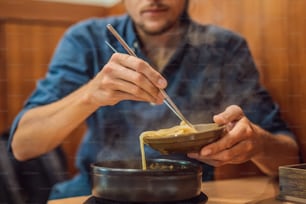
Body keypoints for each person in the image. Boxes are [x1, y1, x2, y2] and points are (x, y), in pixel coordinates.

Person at [9, 0, 299, 200]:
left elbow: (289, 158)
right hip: (97, 190)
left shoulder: (225, 47)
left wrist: (256, 142)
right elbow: (23, 145)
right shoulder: (86, 39)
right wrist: (90, 94)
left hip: (189, 192)